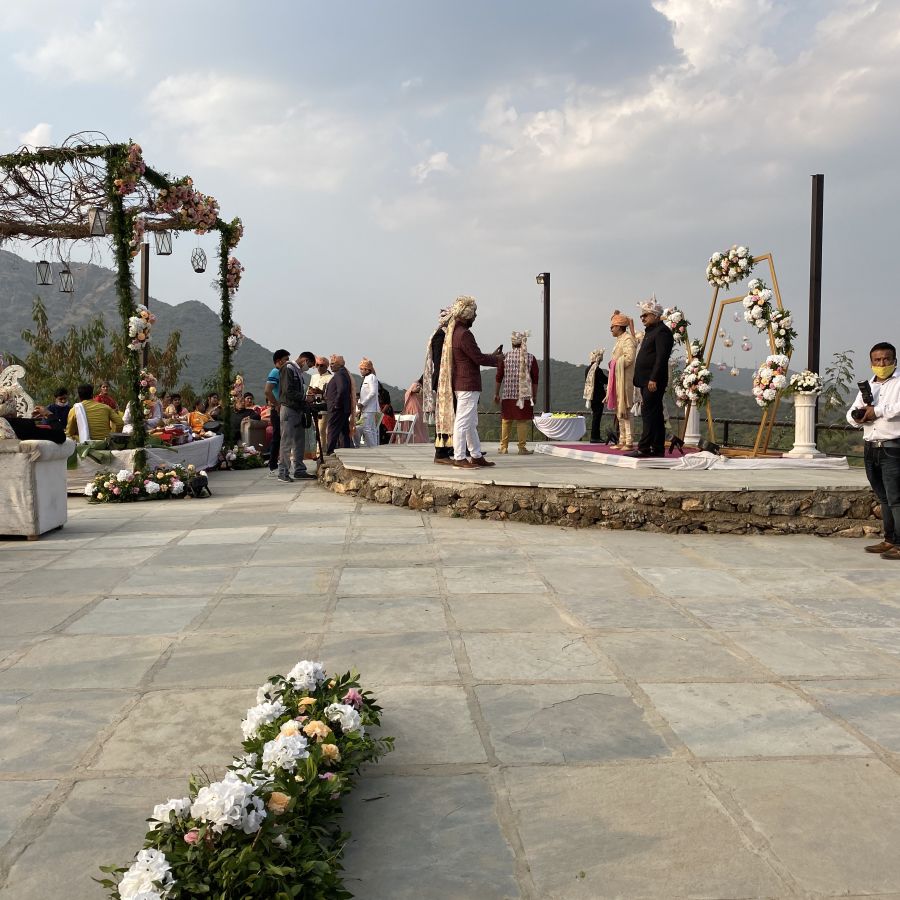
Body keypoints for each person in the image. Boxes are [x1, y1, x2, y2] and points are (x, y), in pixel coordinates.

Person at [847, 341, 900, 560]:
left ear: (894, 361)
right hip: (871, 449)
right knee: (884, 498)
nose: (882, 363)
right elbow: (851, 415)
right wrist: (860, 416)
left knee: (897, 498)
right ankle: (890, 539)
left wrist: (876, 411)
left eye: (886, 359)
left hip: (892, 448)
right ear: (871, 363)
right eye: (877, 360)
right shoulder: (868, 387)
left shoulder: (898, 384)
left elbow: (896, 408)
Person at [435, 295, 499, 469]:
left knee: (470, 422)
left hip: (462, 383)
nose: (475, 317)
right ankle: (459, 457)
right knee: (463, 422)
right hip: (467, 383)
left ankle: (476, 455)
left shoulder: (455, 332)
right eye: (474, 313)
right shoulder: (464, 334)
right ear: (466, 315)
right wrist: (498, 359)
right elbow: (477, 357)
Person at [628, 297, 674, 458]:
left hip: (652, 381)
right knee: (655, 414)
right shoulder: (651, 331)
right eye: (641, 316)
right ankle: (657, 447)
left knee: (648, 414)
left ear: (655, 315)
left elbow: (661, 358)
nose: (642, 318)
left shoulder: (662, 332)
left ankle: (644, 447)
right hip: (645, 380)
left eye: (645, 315)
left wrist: (653, 378)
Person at [494, 330, 539, 454]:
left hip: (508, 394)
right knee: (522, 421)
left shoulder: (505, 357)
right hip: (524, 396)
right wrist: (534, 396)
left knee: (506, 420)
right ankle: (521, 447)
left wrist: (496, 393)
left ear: (512, 343)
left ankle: (504, 447)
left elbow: (499, 377)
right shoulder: (531, 358)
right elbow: (535, 379)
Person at [278, 350, 316, 482]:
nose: (308, 368)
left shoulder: (298, 372)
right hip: (289, 409)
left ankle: (299, 470)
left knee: (299, 442)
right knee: (286, 441)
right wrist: (305, 397)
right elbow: (288, 391)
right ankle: (283, 472)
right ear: (305, 359)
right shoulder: (288, 368)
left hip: (298, 409)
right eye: (309, 365)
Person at [423, 307, 454, 463]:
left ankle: (451, 448)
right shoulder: (441, 336)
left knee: (450, 417)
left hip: (445, 380)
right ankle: (441, 452)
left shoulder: (444, 335)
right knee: (443, 417)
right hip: (442, 382)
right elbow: (440, 362)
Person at [606, 311, 639, 450]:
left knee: (626, 409)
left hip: (625, 380)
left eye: (612, 327)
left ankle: (629, 441)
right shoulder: (619, 340)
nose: (611, 329)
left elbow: (630, 358)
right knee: (619, 411)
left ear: (619, 326)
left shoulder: (627, 339)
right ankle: (622, 440)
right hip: (618, 379)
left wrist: (615, 363)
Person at [266, 350, 290, 478]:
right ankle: (273, 465)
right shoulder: (275, 372)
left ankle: (281, 464)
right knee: (277, 437)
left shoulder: (282, 372)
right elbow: (268, 391)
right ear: (279, 361)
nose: (288, 362)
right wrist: (276, 404)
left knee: (282, 438)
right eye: (286, 359)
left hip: (283, 409)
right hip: (277, 411)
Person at [325, 354, 353, 454]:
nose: (330, 366)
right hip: (343, 408)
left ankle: (329, 451)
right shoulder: (343, 373)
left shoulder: (339, 374)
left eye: (333, 364)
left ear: (339, 364)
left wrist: (336, 404)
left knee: (332, 430)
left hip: (338, 408)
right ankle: (345, 451)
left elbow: (342, 390)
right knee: (344, 431)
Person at [584, 349, 608, 443]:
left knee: (595, 416)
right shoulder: (597, 370)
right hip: (598, 397)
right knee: (597, 417)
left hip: (591, 397)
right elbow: (605, 380)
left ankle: (595, 436)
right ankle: (595, 437)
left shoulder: (587, 369)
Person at [308, 357, 332, 450]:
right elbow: (309, 390)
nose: (319, 367)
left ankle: (322, 451)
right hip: (314, 406)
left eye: (321, 365)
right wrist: (311, 392)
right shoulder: (314, 376)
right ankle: (320, 450)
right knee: (316, 431)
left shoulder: (330, 378)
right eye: (317, 365)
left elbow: (330, 394)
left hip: (323, 407)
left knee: (322, 430)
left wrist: (321, 392)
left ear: (326, 366)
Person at [357, 358, 380, 448]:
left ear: (367, 369)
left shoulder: (372, 377)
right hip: (366, 408)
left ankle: (372, 446)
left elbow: (373, 392)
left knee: (367, 429)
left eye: (362, 369)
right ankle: (374, 446)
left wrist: (363, 403)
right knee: (371, 428)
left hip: (369, 408)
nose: (360, 371)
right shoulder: (366, 378)